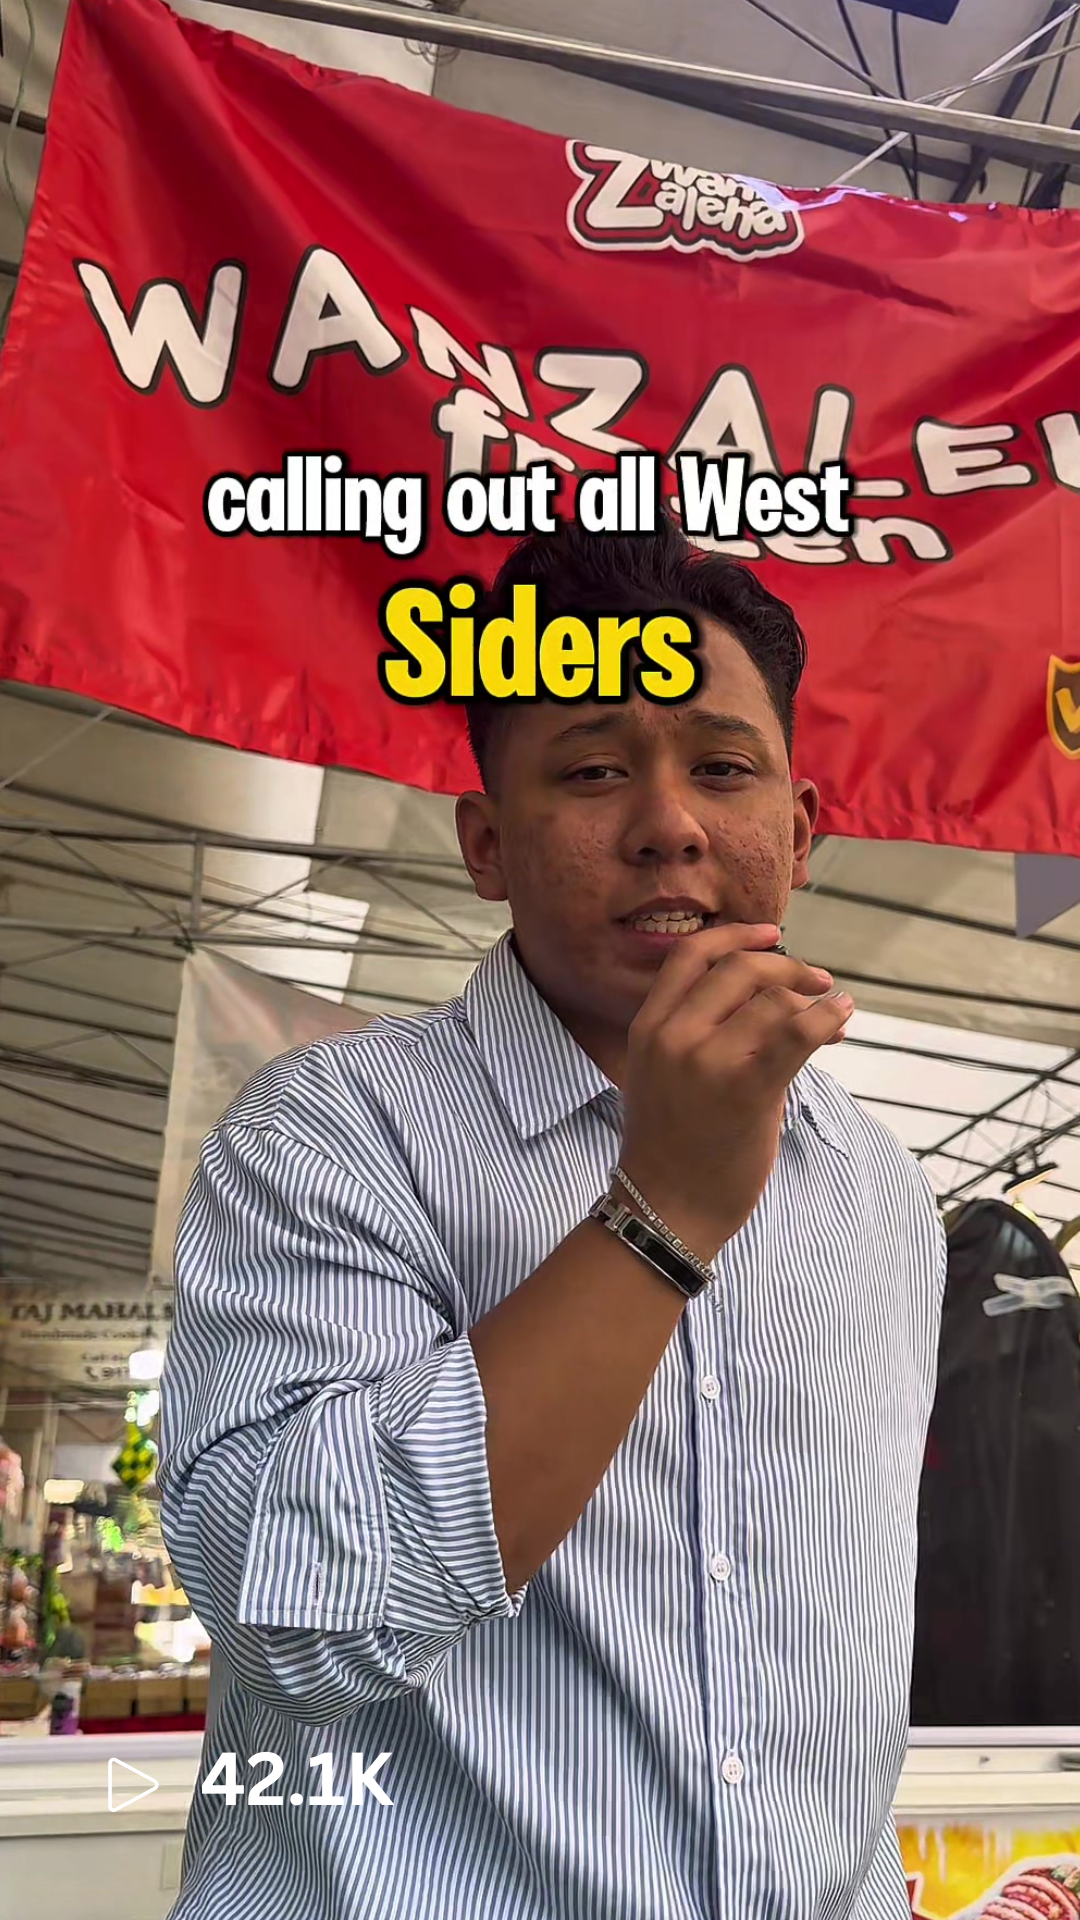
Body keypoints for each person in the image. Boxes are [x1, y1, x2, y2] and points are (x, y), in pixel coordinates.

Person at [159, 514, 946, 1920]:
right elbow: (295, 1614)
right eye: (591, 770)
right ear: (486, 844)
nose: (669, 824)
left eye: (723, 765)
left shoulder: (880, 1196)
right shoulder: (334, 1136)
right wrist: (663, 1214)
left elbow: (836, 1710)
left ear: (803, 830)